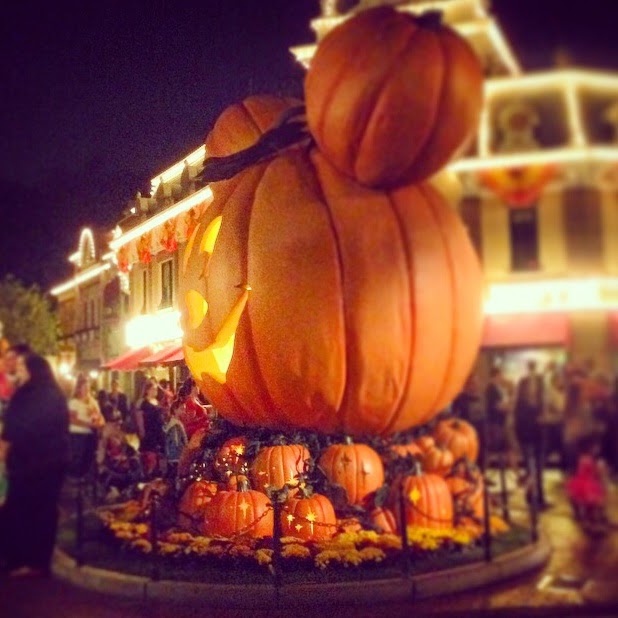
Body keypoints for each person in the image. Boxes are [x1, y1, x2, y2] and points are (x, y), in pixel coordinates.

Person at [0, 352, 69, 576]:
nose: (17, 370)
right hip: (52, 463)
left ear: (32, 370)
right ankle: (39, 561)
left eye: (21, 366)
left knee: (20, 511)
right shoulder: (55, 393)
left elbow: (13, 430)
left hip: (27, 464)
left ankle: (21, 560)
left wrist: (3, 455)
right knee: (45, 511)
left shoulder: (27, 395)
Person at [514, 359, 548, 508]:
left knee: (537, 468)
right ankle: (533, 498)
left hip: (538, 434)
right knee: (531, 468)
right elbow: (517, 419)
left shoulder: (538, 383)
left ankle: (538, 497)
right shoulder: (525, 385)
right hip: (528, 434)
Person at [565, 435, 608, 526]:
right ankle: (588, 518)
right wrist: (599, 469)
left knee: (588, 502)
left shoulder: (585, 458)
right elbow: (591, 472)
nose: (598, 449)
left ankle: (587, 517)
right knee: (590, 502)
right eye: (596, 447)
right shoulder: (587, 459)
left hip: (586, 483)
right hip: (586, 485)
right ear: (590, 448)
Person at [68, 374, 105, 478]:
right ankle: (76, 479)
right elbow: (72, 419)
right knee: (78, 458)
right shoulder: (74, 402)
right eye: (84, 387)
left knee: (89, 457)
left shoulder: (93, 402)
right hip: (78, 434)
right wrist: (89, 424)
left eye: (88, 387)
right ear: (79, 389)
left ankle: (85, 478)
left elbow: (99, 415)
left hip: (91, 433)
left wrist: (100, 422)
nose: (86, 390)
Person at [134, 380, 164, 478]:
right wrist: (142, 431)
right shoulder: (143, 402)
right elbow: (139, 416)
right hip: (148, 431)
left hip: (157, 431)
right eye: (152, 389)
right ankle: (147, 474)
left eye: (155, 389)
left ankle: (155, 472)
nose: (155, 391)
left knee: (157, 453)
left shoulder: (156, 402)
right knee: (149, 454)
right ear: (147, 390)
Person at [162, 399, 188, 479]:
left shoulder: (175, 423)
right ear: (175, 410)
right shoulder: (175, 426)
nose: (184, 411)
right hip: (176, 457)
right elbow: (176, 442)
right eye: (182, 409)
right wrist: (183, 454)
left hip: (174, 457)